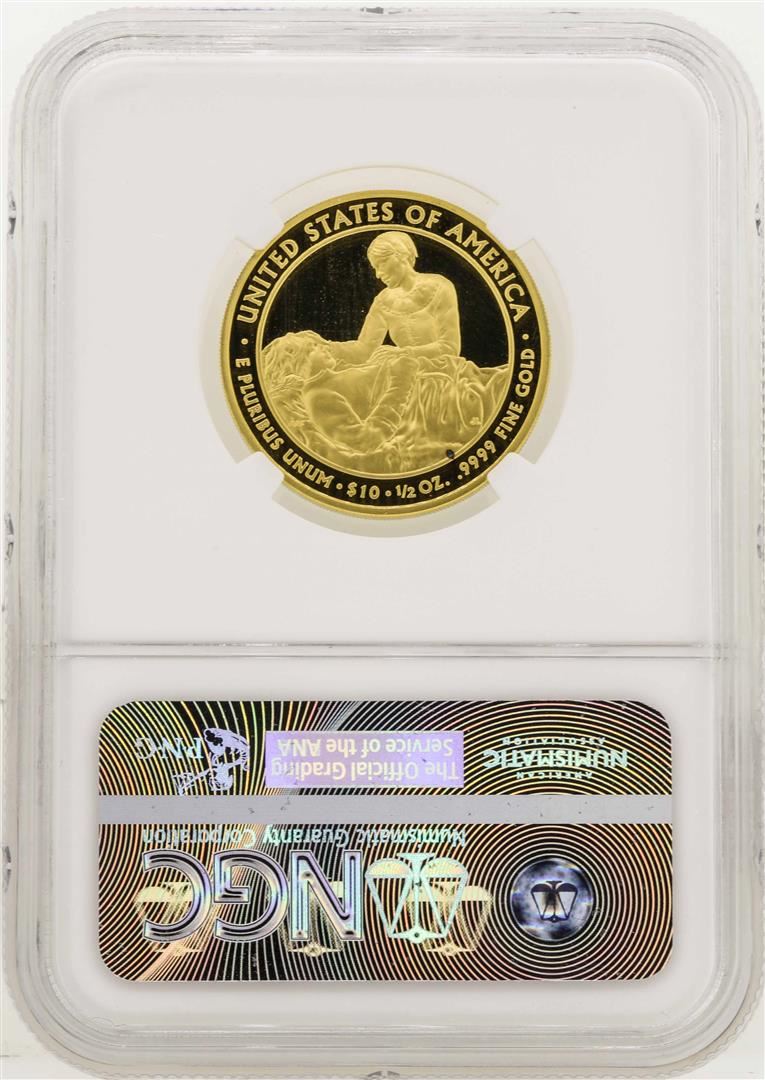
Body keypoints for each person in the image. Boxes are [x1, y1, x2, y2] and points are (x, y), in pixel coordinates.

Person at [263, 232, 507, 472]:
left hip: (442, 370)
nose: (378, 274)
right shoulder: (383, 301)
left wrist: (403, 354)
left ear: (401, 256)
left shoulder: (439, 286)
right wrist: (320, 346)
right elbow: (363, 350)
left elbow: (450, 347)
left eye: (381, 264)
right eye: (374, 268)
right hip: (401, 372)